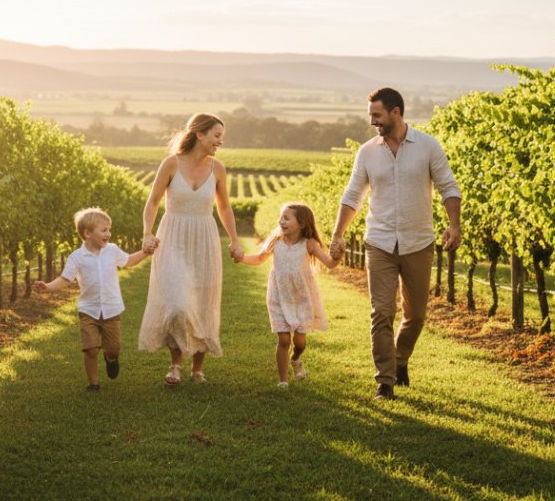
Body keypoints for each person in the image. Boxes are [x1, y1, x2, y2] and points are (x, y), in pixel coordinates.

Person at [329, 87, 462, 401]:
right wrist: (337, 234)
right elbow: (352, 197)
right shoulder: (367, 152)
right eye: (371, 115)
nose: (373, 121)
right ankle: (385, 382)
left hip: (418, 242)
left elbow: (448, 186)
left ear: (395, 112)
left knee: (416, 315)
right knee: (381, 312)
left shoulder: (428, 146)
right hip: (379, 242)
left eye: (377, 115)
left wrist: (453, 224)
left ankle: (400, 359)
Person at [138, 113, 244, 385]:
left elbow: (224, 207)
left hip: (204, 238)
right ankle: (175, 365)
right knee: (177, 303)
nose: (220, 141)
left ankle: (197, 368)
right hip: (172, 237)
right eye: (216, 136)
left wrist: (234, 239)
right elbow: (152, 202)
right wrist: (147, 233)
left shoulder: (218, 168)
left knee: (202, 302)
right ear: (200, 134)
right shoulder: (171, 164)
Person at [35, 207, 155, 392]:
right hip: (88, 310)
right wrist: (48, 286)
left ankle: (111, 358)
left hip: (111, 309)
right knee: (90, 349)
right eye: (104, 230)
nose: (109, 233)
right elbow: (66, 279)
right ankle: (93, 383)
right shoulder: (77, 257)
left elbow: (128, 261)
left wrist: (145, 253)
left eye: (109, 229)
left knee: (113, 347)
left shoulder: (112, 250)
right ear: (87, 233)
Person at [234, 202, 338, 387]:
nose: (280, 221)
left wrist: (338, 255)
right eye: (281, 217)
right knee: (283, 339)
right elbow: (259, 258)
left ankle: (296, 358)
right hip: (279, 295)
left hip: (301, 297)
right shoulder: (276, 240)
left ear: (302, 224)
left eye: (286, 218)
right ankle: (283, 381)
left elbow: (329, 263)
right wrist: (241, 258)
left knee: (300, 342)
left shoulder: (310, 244)